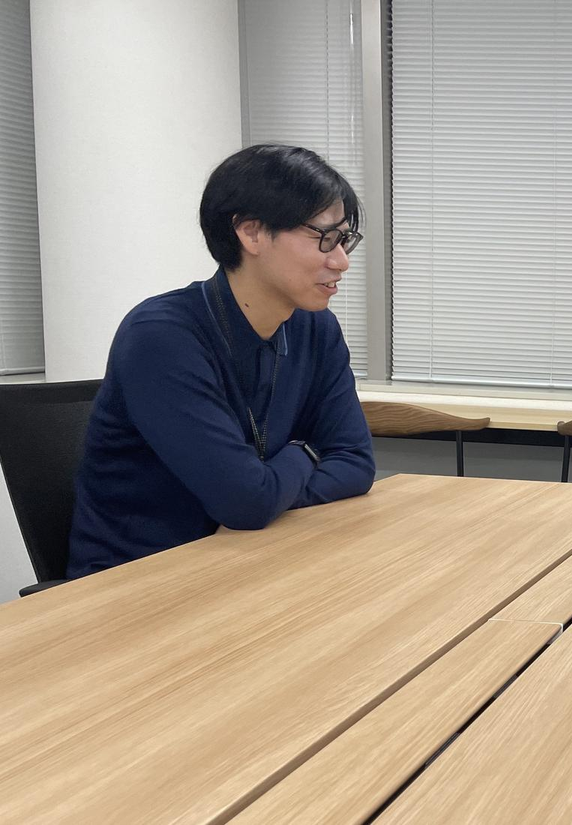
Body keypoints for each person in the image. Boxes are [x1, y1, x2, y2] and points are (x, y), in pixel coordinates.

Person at [68, 144, 375, 577]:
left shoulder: (315, 328)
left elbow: (356, 463)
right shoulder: (161, 337)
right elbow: (246, 502)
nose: (341, 261)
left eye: (344, 239)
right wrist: (305, 451)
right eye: (324, 237)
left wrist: (269, 492)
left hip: (250, 561)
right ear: (251, 233)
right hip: (140, 580)